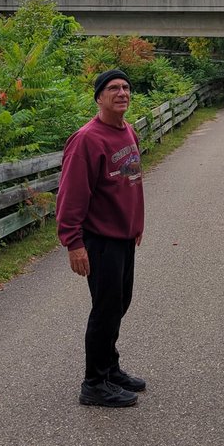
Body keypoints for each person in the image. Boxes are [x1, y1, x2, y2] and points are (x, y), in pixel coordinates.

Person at [56, 68, 147, 408]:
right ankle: (94, 383)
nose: (122, 93)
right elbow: (71, 196)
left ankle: (110, 368)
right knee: (106, 309)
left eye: (126, 87)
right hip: (100, 239)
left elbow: (130, 183)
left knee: (119, 303)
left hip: (123, 236)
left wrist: (135, 224)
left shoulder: (127, 132)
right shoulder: (87, 140)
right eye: (113, 88)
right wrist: (73, 243)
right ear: (99, 97)